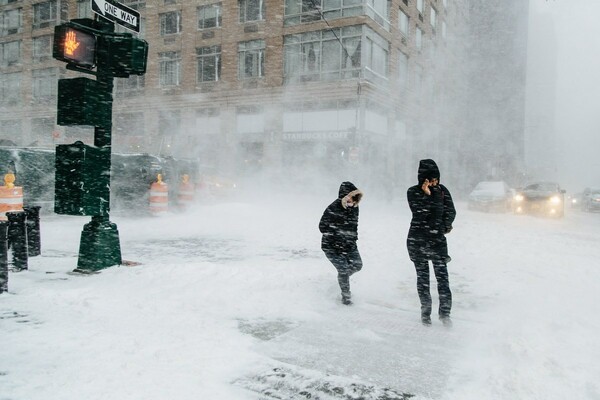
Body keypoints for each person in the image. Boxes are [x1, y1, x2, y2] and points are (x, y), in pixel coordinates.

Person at [407, 159, 456, 326]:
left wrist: (443, 227)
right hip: (417, 240)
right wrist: (428, 195)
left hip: (437, 241)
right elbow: (420, 214)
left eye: (437, 180)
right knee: (423, 279)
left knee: (443, 279)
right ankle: (425, 313)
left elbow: (450, 211)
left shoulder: (442, 191)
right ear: (423, 179)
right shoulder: (413, 192)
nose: (435, 183)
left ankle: (445, 314)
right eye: (431, 180)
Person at [319, 181, 364, 305]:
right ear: (344, 196)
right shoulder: (333, 208)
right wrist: (337, 234)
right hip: (331, 246)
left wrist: (352, 240)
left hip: (349, 244)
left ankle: (342, 278)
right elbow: (322, 227)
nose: (353, 201)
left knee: (358, 265)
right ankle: (346, 296)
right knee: (343, 269)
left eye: (355, 198)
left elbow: (354, 226)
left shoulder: (355, 208)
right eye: (351, 197)